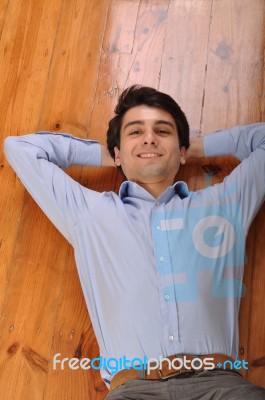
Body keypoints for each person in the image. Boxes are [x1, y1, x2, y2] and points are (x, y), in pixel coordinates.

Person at [4, 85, 265, 399]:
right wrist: (108, 153)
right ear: (117, 153)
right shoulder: (89, 213)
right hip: (133, 391)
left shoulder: (224, 204)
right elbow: (19, 149)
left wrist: (193, 147)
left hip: (221, 387)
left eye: (162, 131)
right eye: (135, 132)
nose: (149, 138)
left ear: (182, 151)